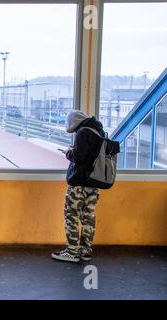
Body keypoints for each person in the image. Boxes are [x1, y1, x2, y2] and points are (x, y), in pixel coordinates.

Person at [52, 110, 105, 263]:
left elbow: (79, 157)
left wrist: (69, 152)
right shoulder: (98, 131)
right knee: (88, 216)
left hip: (79, 184)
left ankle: (72, 252)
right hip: (93, 183)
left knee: (71, 216)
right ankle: (85, 251)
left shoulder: (82, 132)